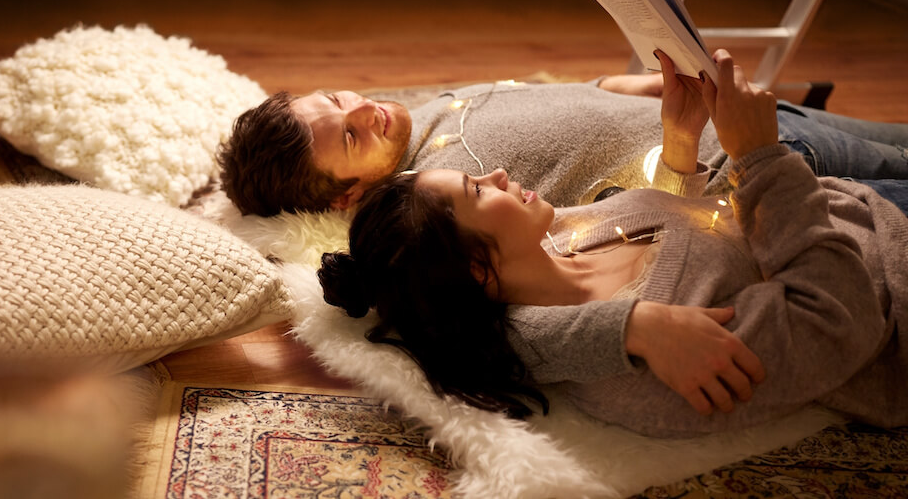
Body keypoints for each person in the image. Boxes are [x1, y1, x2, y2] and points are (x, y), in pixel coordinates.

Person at [317, 50, 908, 438]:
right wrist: (761, 158)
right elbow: (841, 318)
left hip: (853, 202)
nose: (497, 174)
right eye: (478, 189)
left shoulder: (557, 242)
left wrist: (680, 141)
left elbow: (683, 219)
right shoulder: (655, 367)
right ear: (478, 269)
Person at [218, 67, 908, 218]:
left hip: (748, 114)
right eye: (349, 134)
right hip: (746, 162)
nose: (365, 107)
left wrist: (622, 83)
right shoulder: (446, 191)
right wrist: (679, 144)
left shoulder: (426, 112)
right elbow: (619, 228)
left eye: (341, 99)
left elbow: (541, 97)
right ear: (349, 195)